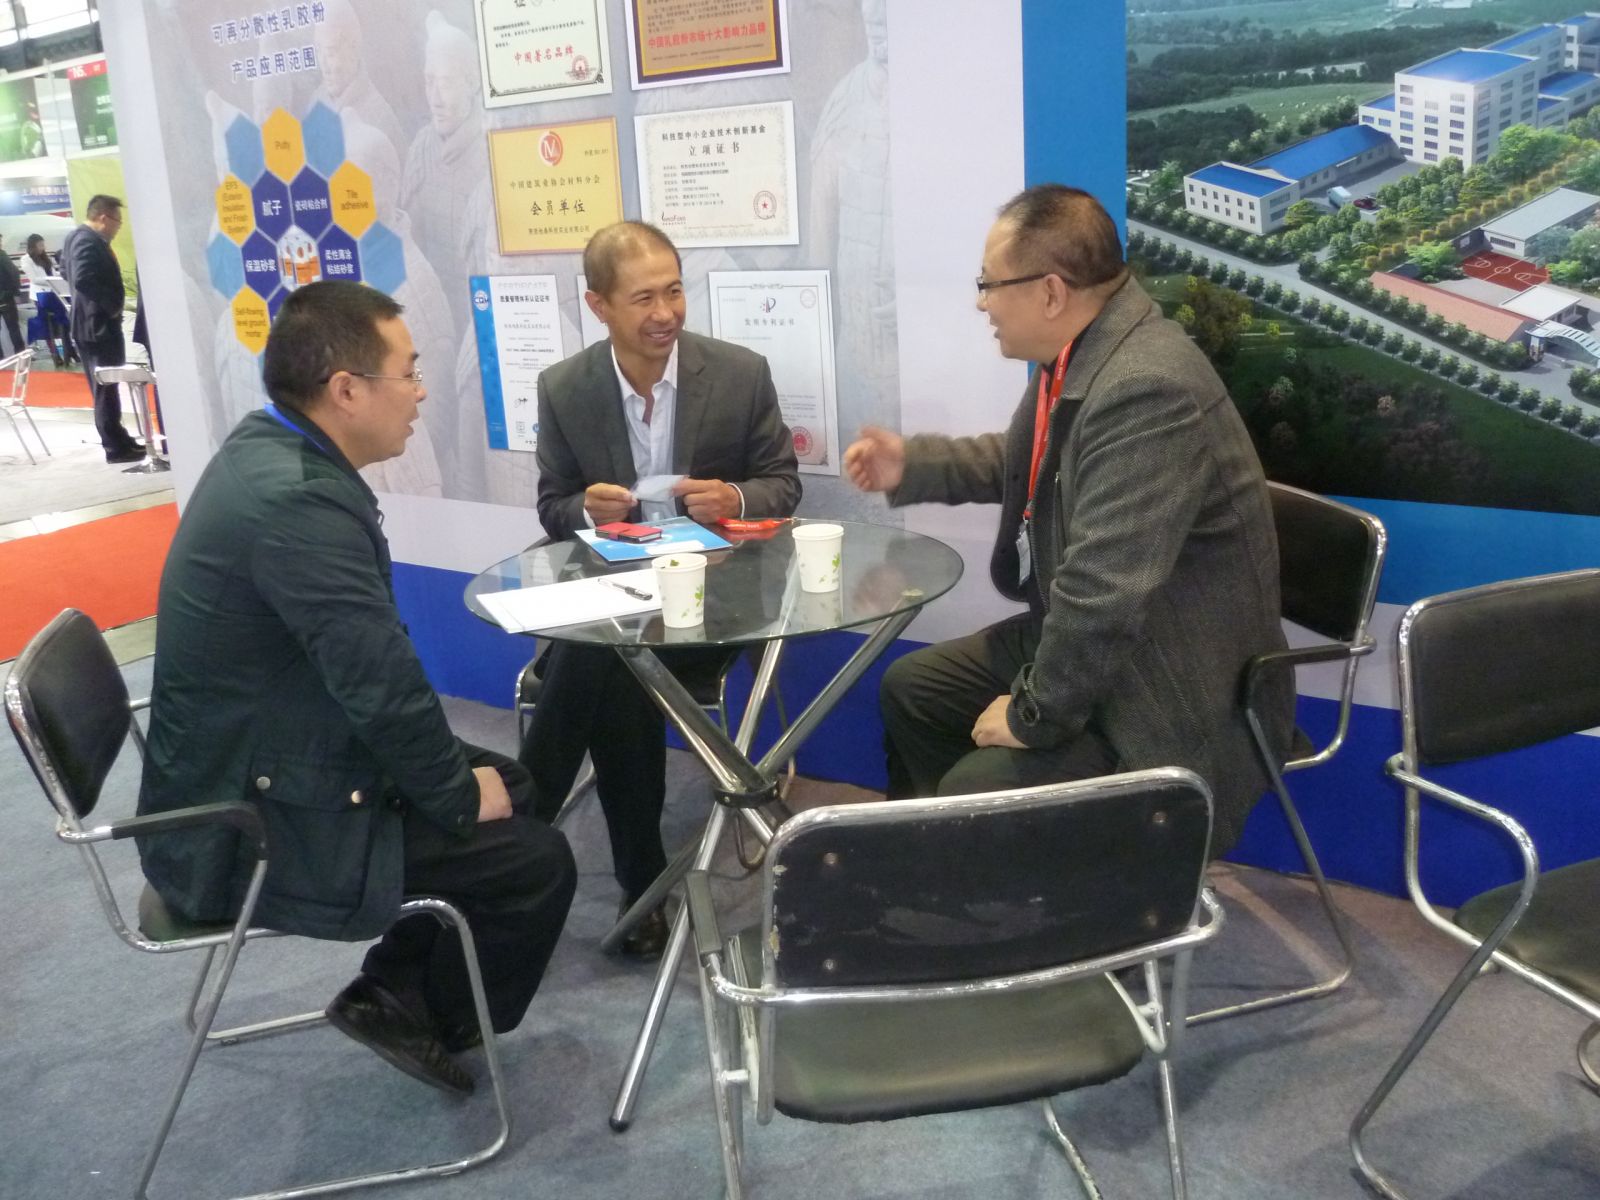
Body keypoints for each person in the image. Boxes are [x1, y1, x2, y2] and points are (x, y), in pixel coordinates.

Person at [137, 280, 576, 1095]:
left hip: (258, 755)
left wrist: (458, 785)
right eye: (408, 373)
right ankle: (417, 1006)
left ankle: (395, 986)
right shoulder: (298, 503)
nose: (420, 393)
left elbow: (374, 675)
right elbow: (380, 686)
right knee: (534, 862)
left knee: (516, 786)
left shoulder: (273, 451)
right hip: (233, 826)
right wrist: (453, 796)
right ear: (346, 390)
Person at [844, 184, 1293, 856]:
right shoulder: (1085, 355)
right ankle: (954, 875)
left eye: (989, 284)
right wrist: (914, 465)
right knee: (915, 690)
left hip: (1174, 680)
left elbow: (1104, 592)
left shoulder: (1146, 388)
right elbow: (1028, 462)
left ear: (1051, 293)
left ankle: (1029, 894)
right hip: (1122, 642)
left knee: (980, 785)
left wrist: (1033, 716)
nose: (981, 303)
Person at [521, 221, 800, 956]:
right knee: (616, 663)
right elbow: (553, 506)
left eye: (674, 292)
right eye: (643, 298)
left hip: (713, 603)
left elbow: (783, 484)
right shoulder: (565, 388)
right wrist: (587, 510)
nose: (665, 313)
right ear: (598, 305)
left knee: (601, 660)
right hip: (616, 600)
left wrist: (734, 498)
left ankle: (528, 820)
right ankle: (638, 884)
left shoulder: (738, 374)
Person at [61, 194, 141, 462]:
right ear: (104, 218)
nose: (118, 228)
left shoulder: (77, 238)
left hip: (93, 324)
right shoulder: (86, 240)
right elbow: (82, 278)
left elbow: (65, 271)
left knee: (108, 386)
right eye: (118, 222)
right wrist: (111, 306)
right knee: (105, 387)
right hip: (96, 326)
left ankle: (119, 437)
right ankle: (115, 447)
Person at [21, 233, 73, 366]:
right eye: (40, 245)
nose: (42, 248)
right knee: (47, 326)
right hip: (40, 296)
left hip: (54, 294)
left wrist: (59, 279)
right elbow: (34, 279)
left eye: (43, 245)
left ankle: (69, 350)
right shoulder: (26, 260)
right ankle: (54, 353)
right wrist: (51, 281)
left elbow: (53, 273)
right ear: (33, 246)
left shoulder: (46, 258)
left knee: (63, 323)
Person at [0, 234, 23, 357]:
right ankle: (21, 355)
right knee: (13, 328)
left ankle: (1, 360)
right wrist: (15, 291)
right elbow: (14, 272)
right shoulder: (1, 255)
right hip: (5, 297)